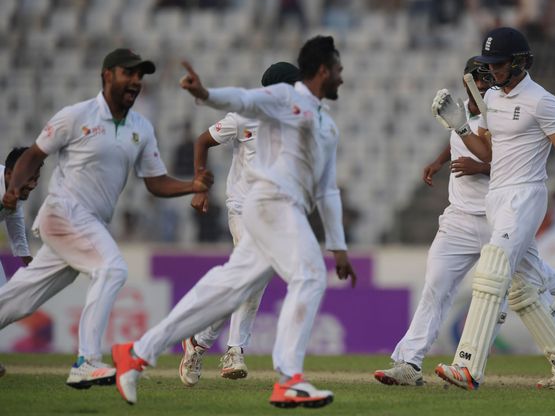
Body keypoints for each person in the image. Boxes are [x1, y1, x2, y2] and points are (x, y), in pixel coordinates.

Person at [111, 36, 356, 408]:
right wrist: (206, 94)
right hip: (267, 203)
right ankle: (289, 378)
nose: (341, 76)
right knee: (309, 276)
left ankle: (137, 352)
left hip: (281, 209)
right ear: (322, 71)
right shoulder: (283, 98)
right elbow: (242, 101)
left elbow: (327, 190)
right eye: (337, 69)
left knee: (228, 288)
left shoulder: (328, 127)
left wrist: (338, 246)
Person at [373, 58, 555, 387]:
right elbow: (468, 144)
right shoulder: (473, 110)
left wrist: (477, 167)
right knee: (443, 286)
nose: (477, 89)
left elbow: (504, 158)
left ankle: (469, 365)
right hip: (462, 217)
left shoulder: (507, 105)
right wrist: (443, 152)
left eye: (482, 81)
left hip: (504, 213)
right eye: (472, 84)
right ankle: (409, 362)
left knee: (511, 282)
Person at [0, 48, 214, 389]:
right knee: (112, 268)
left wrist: (192, 185)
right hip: (64, 211)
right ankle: (87, 360)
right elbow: (34, 154)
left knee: (23, 297)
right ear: (107, 75)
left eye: (139, 76)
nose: (135, 82)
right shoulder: (76, 115)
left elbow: (155, 182)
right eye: (128, 74)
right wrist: (12, 188)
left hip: (88, 223)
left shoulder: (141, 128)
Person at [431, 27, 555, 390]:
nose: (492, 71)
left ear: (520, 62)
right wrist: (460, 128)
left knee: (492, 269)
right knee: (523, 288)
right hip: (497, 198)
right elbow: (490, 153)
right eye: (489, 64)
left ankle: (468, 366)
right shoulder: (492, 99)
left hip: (525, 196)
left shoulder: (542, 100)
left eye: (499, 64)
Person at [178, 61, 300, 386]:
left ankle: (199, 340)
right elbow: (202, 141)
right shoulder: (243, 114)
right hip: (242, 208)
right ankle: (234, 350)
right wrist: (200, 186)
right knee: (253, 274)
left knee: (248, 279)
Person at [1, 147, 42, 286]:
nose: (33, 185)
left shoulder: (14, 191)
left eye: (36, 179)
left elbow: (15, 223)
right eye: (29, 178)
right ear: (8, 174)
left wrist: (27, 259)